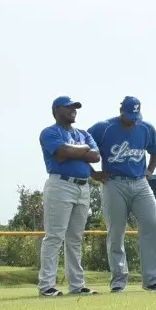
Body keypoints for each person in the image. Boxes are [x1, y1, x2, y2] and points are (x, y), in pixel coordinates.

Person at [88, 96, 156, 292]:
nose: (133, 119)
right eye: (130, 114)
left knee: (151, 225)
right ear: (121, 110)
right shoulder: (103, 128)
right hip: (114, 182)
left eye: (136, 115)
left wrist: (149, 171)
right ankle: (119, 281)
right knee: (116, 232)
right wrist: (92, 172)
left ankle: (153, 280)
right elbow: (83, 147)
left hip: (140, 182)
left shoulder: (146, 128)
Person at [37, 96, 100, 297]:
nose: (73, 110)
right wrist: (82, 151)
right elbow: (61, 152)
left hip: (83, 186)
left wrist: (75, 152)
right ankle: (47, 285)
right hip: (60, 184)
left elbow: (96, 156)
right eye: (69, 107)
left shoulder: (83, 133)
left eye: (75, 108)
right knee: (54, 236)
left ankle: (77, 285)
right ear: (57, 110)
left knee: (75, 238)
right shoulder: (50, 132)